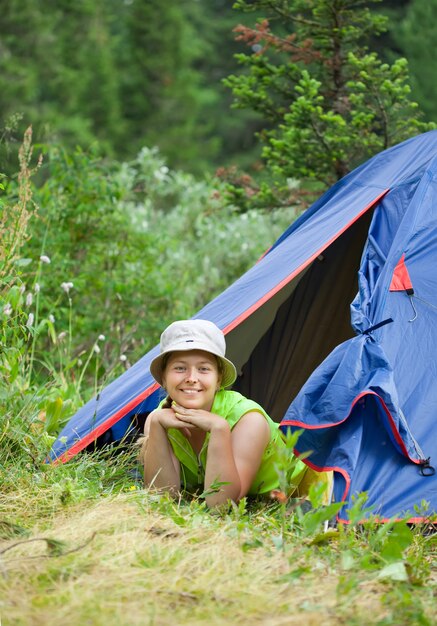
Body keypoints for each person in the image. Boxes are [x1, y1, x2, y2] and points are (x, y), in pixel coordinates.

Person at [140, 319, 327, 508]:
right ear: (164, 378)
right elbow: (162, 497)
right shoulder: (159, 419)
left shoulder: (248, 419)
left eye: (204, 369)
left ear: (218, 379)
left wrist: (219, 428)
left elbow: (221, 505)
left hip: (306, 489)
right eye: (180, 368)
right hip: (257, 499)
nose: (191, 379)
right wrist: (156, 425)